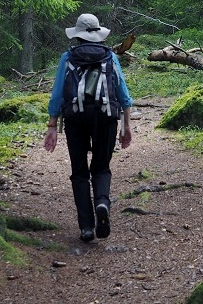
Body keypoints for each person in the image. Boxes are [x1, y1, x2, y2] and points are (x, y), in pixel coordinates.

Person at [44, 13, 133, 242]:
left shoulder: (68, 57)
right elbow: (123, 94)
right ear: (98, 34)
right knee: (101, 167)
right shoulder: (110, 56)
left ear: (78, 35)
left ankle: (86, 227)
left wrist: (52, 125)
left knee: (79, 171)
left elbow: (57, 94)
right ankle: (102, 203)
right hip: (106, 117)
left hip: (75, 118)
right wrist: (126, 125)